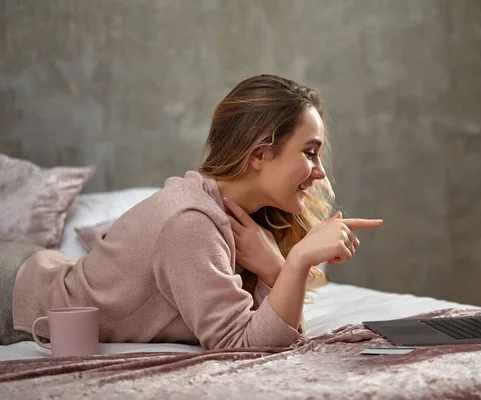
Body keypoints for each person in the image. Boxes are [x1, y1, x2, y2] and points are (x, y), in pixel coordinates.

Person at [2, 74, 383, 349]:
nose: (319, 172)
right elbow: (241, 343)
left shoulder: (243, 222)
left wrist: (276, 268)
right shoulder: (191, 223)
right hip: (17, 297)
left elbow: (282, 330)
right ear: (261, 154)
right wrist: (297, 261)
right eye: (310, 152)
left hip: (38, 267)